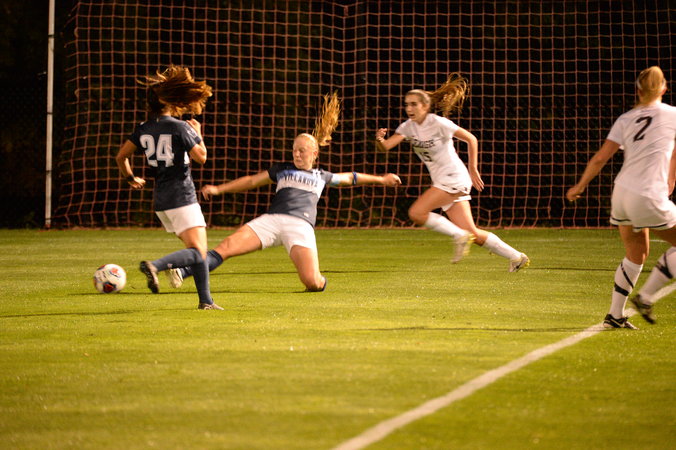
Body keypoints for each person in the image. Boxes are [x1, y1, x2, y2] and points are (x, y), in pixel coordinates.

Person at [167, 92, 402, 291]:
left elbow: (352, 177)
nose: (297, 154)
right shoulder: (281, 170)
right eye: (294, 150)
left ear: (314, 153)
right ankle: (183, 271)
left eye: (302, 150)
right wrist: (219, 189)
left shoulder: (322, 176)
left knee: (312, 282)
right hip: (271, 221)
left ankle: (320, 281)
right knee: (226, 247)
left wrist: (382, 179)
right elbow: (251, 181)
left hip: (300, 226)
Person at [375, 73, 530, 271]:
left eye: (414, 104)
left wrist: (473, 169)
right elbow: (386, 146)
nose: (409, 109)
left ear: (425, 106)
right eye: (407, 105)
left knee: (417, 212)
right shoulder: (407, 127)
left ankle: (458, 235)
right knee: (472, 232)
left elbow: (471, 139)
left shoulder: (439, 123)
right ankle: (516, 257)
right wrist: (380, 140)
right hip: (443, 181)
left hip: (454, 177)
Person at [566, 66, 676, 328]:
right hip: (647, 194)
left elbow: (600, 158)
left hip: (622, 194)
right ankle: (646, 297)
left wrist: (579, 186)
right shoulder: (672, 114)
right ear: (664, 88)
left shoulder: (626, 118)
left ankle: (615, 315)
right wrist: (670, 180)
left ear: (638, 90)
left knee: (637, 253)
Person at [115, 65, 222, 310]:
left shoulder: (144, 128)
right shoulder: (180, 127)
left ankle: (206, 302)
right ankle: (155, 265)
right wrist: (198, 133)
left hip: (161, 200)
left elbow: (121, 157)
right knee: (199, 252)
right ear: (170, 101)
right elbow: (201, 157)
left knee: (197, 251)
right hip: (182, 195)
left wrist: (130, 178)